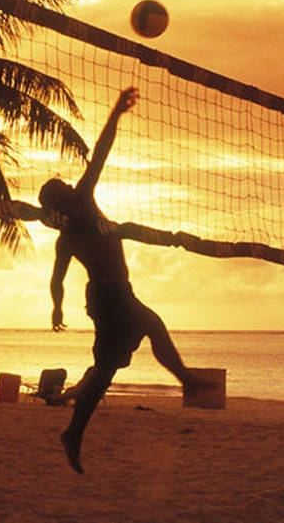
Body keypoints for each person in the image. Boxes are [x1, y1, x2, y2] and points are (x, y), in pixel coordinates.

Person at [39, 87, 209, 474]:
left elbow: (100, 153)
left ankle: (183, 382)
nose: (69, 184)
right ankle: (75, 432)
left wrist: (116, 114)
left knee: (131, 345)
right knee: (116, 359)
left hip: (118, 293)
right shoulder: (70, 228)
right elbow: (56, 277)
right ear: (58, 203)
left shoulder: (81, 207)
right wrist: (56, 306)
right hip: (106, 298)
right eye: (61, 187)